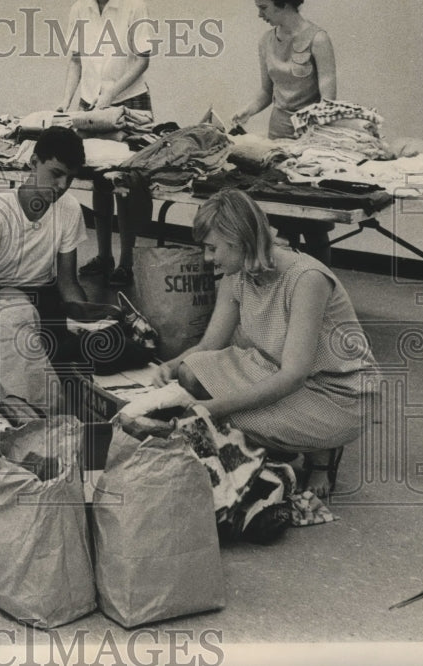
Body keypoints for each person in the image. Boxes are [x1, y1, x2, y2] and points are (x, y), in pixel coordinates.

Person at [128, 189, 376, 497]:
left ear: (238, 240)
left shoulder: (306, 279)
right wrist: (169, 366)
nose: (208, 258)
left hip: (335, 394)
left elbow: (293, 374)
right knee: (191, 372)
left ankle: (322, 452)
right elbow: (208, 346)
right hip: (279, 371)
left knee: (227, 418)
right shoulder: (239, 271)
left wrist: (214, 408)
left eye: (211, 248)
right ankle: (281, 440)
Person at [0, 126, 119, 346]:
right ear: (34, 162)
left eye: (70, 178)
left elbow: (67, 283)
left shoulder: (69, 208)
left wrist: (85, 320)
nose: (63, 186)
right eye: (56, 174)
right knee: (23, 317)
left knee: (106, 339)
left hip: (42, 295)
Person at [58, 0, 155, 288]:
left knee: (124, 182)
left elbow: (142, 59)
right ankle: (104, 255)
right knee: (98, 178)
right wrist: (65, 103)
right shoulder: (79, 9)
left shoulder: (133, 6)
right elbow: (75, 61)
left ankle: (126, 260)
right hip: (90, 104)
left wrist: (112, 93)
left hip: (128, 102)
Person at [231, 0, 338, 263]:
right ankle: (285, 287)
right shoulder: (266, 41)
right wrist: (248, 110)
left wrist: (311, 139)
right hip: (278, 135)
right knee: (280, 217)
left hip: (311, 138)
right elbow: (266, 91)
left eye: (263, 7)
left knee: (313, 222)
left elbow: (328, 100)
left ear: (284, 2)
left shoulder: (318, 39)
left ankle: (320, 284)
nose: (260, 14)